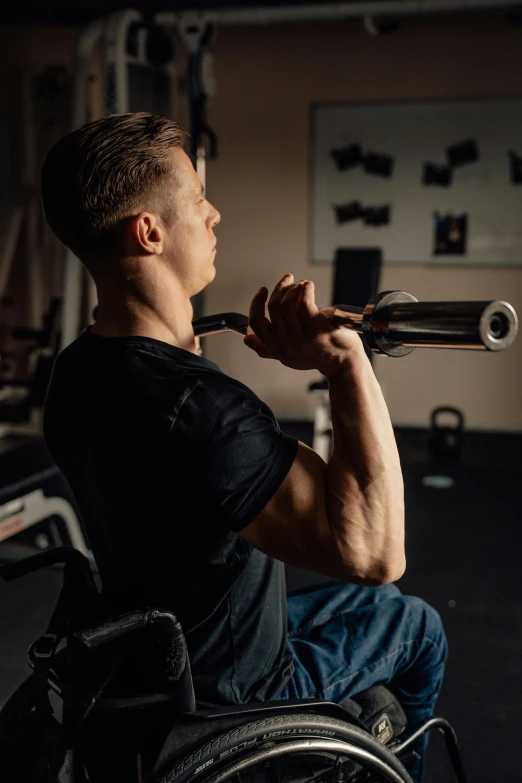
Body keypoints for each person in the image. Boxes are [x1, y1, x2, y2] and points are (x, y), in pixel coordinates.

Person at [40, 112, 447, 782]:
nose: (215, 214)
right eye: (199, 199)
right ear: (149, 232)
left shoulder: (77, 374)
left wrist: (181, 342)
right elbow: (377, 552)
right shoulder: (202, 410)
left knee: (386, 614)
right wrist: (347, 360)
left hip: (152, 656)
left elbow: (165, 460)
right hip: (233, 691)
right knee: (419, 625)